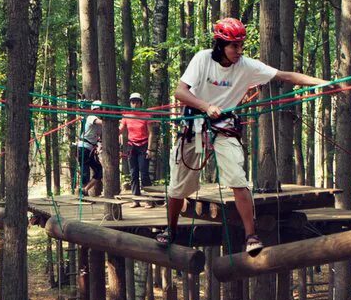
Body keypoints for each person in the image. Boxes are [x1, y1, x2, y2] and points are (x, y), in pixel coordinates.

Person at [159, 17, 336, 254]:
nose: (239, 51)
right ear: (220, 44)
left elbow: (285, 76)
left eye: (241, 46)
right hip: (195, 126)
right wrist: (205, 106)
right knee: (179, 186)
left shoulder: (247, 66)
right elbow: (180, 91)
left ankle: (251, 236)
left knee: (238, 180)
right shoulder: (202, 59)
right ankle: (170, 230)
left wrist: (321, 83)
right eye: (234, 46)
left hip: (224, 128)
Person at [120, 92, 155, 195]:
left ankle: (149, 198)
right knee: (133, 173)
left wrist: (149, 149)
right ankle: (136, 198)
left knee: (144, 172)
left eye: (137, 102)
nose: (135, 104)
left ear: (141, 103)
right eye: (133, 102)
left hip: (143, 145)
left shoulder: (146, 115)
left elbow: (151, 133)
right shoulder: (126, 115)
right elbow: (121, 130)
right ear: (130, 103)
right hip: (131, 146)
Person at [75, 100, 105, 196]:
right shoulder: (92, 117)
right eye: (97, 109)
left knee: (99, 171)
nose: (98, 111)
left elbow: (99, 137)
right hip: (83, 148)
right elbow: (101, 122)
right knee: (85, 172)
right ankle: (81, 193)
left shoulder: (101, 124)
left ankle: (85, 190)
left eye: (100, 109)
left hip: (90, 149)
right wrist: (116, 120)